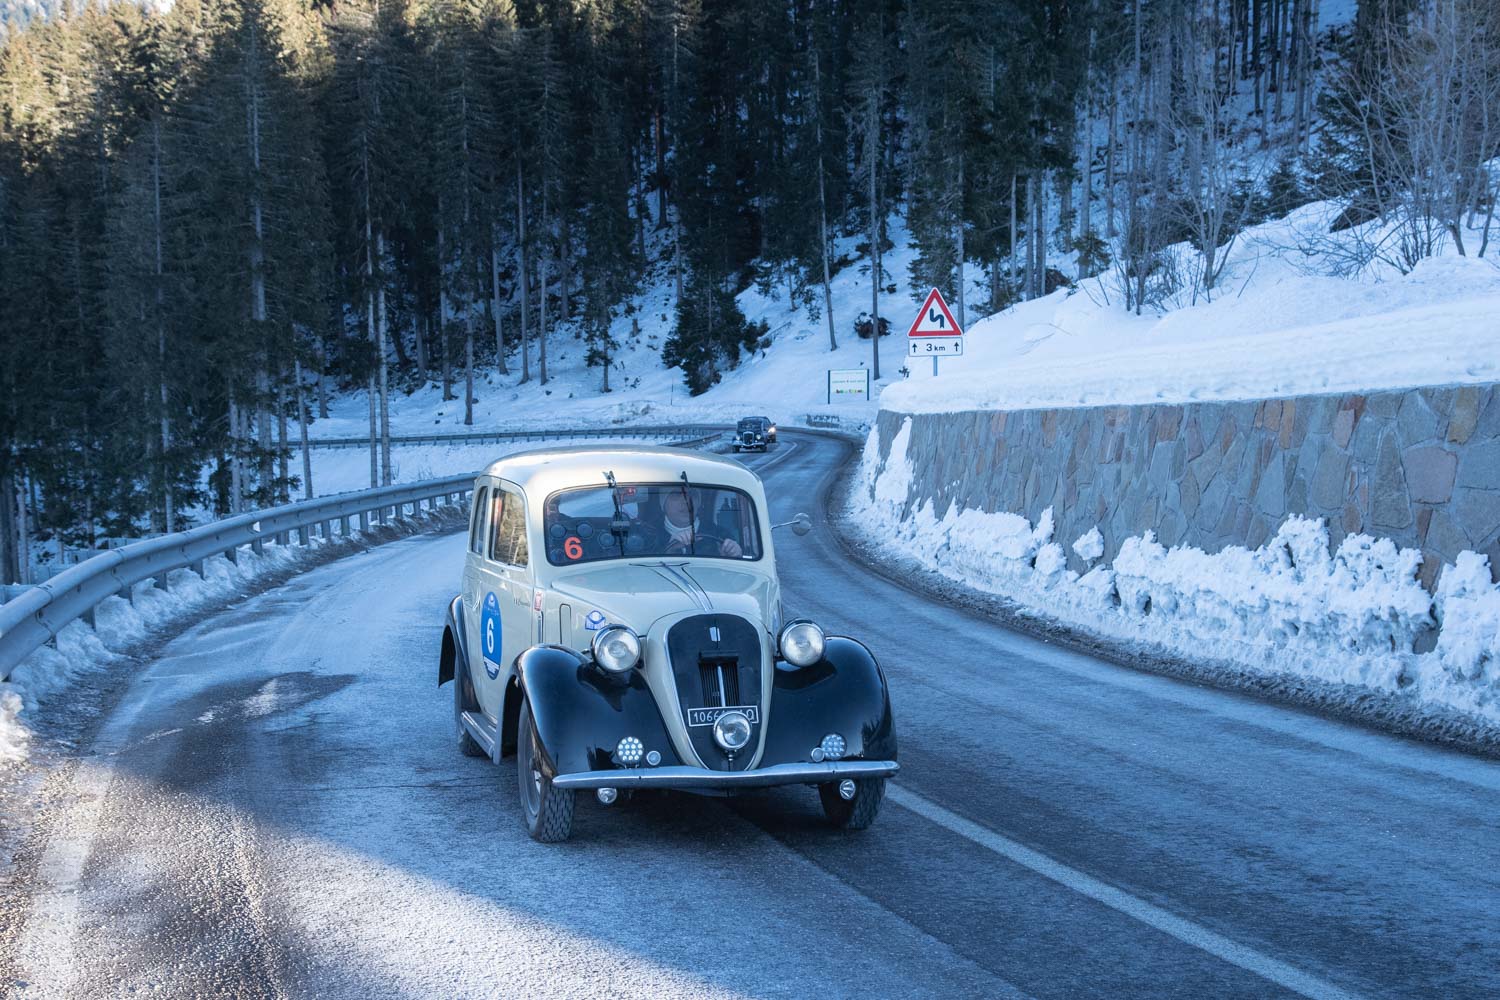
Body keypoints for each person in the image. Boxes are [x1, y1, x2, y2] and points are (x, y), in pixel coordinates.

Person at [653, 488, 743, 558]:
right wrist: (669, 550)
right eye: (676, 495)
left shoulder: (719, 534)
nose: (686, 501)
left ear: (698, 503)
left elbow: (733, 577)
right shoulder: (648, 535)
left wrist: (734, 554)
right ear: (663, 503)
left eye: (692, 494)